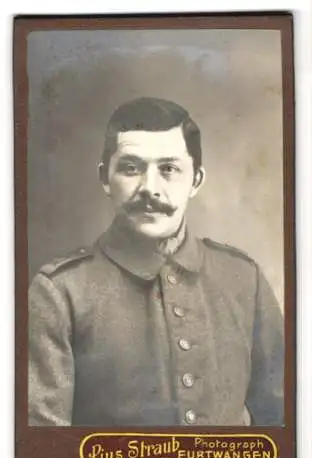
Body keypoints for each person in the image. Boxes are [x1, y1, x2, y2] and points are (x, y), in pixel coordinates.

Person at [28, 97, 284, 427]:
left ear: (196, 180)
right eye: (131, 168)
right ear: (106, 178)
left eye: (169, 169)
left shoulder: (243, 279)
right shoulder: (60, 293)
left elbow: (285, 430)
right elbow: (46, 452)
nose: (150, 188)